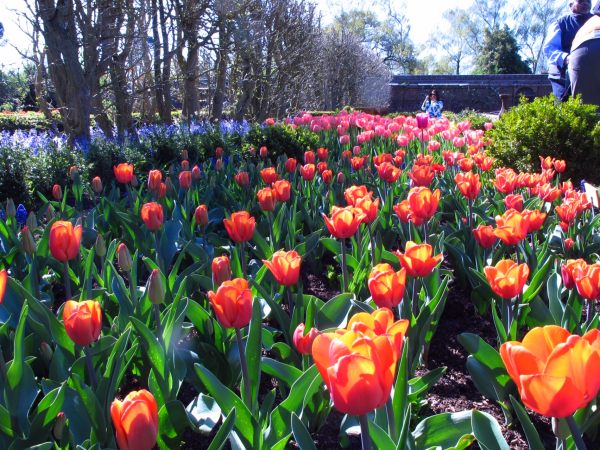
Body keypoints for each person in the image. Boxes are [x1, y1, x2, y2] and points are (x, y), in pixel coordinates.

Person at [543, 0, 592, 101]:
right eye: (581, 1)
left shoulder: (596, 21)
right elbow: (550, 48)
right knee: (564, 109)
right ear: (571, 5)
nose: (585, 3)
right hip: (562, 76)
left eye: (588, 1)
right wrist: (566, 58)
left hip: (590, 74)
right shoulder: (560, 23)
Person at [569, 1, 600, 108]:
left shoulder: (591, 21)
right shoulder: (563, 22)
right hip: (585, 47)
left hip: (581, 49)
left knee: (586, 110)